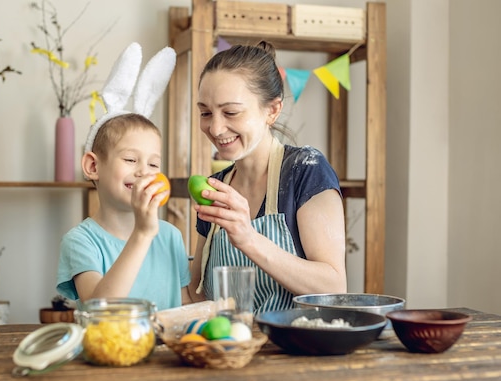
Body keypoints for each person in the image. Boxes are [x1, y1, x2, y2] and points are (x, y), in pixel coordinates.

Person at [188, 41, 347, 313]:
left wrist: (248, 239)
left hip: (293, 350)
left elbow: (333, 286)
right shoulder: (217, 187)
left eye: (231, 112)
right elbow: (196, 294)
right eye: (205, 112)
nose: (214, 127)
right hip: (230, 350)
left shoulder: (305, 170)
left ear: (272, 110)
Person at [57, 43, 191, 310]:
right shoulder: (81, 240)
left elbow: (184, 304)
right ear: (93, 167)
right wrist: (142, 234)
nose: (143, 171)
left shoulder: (171, 236)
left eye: (154, 164)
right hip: (108, 351)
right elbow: (99, 309)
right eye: (130, 160)